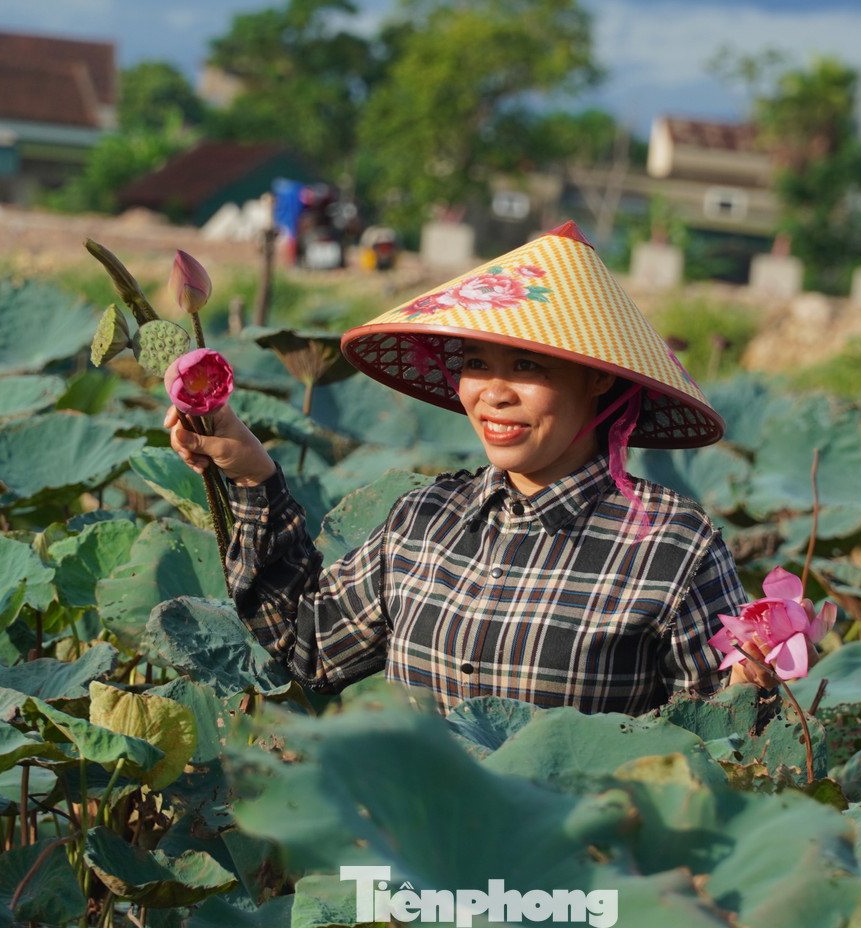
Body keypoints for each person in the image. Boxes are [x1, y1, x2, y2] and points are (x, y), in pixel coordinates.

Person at [165, 221, 752, 714]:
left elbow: (720, 749)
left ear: (599, 377)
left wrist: (754, 691)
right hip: (403, 819)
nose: (492, 394)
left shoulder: (676, 547)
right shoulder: (425, 518)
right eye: (475, 362)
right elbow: (308, 646)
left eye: (526, 365)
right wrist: (252, 474)